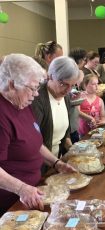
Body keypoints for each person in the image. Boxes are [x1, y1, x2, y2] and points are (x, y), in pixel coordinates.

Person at [0, 54, 75, 215]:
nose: (36, 94)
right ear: (12, 85)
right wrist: (21, 188)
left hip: (35, 190)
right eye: (33, 88)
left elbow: (35, 143)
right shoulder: (2, 114)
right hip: (11, 203)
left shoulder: (22, 103)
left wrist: (56, 163)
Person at [32, 56, 80, 158]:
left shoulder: (65, 97)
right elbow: (34, 140)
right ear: (50, 76)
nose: (68, 90)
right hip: (42, 162)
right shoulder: (37, 99)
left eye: (72, 85)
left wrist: (72, 149)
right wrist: (55, 162)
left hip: (57, 158)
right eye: (64, 84)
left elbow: (64, 132)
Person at [69, 48, 88, 143]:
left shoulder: (77, 73)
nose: (85, 62)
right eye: (85, 60)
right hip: (70, 123)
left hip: (73, 122)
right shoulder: (74, 74)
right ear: (80, 60)